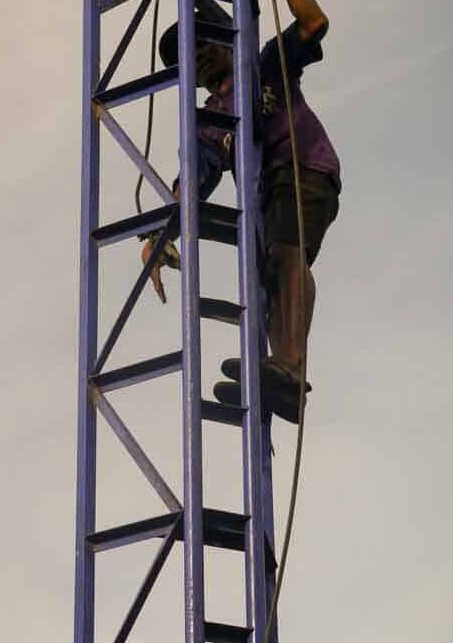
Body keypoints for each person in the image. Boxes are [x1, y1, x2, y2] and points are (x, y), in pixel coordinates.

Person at [141, 0, 341, 423]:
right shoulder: (210, 119)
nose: (194, 57)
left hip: (303, 166)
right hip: (264, 194)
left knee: (287, 251)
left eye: (199, 42)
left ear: (225, 34)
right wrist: (157, 237)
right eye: (185, 56)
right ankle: (282, 384)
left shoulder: (265, 66)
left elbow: (313, 22)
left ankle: (288, 365)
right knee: (268, 274)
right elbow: (195, 179)